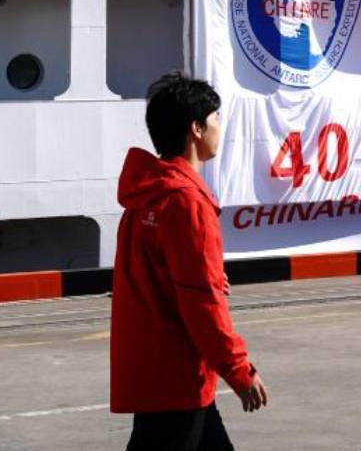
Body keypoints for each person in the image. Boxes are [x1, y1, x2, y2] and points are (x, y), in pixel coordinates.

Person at [111, 72, 267, 451]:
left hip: (153, 367)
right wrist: (238, 369)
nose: (218, 127)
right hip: (177, 375)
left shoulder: (145, 195)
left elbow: (161, 278)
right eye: (215, 119)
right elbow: (201, 300)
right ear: (196, 128)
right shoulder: (187, 202)